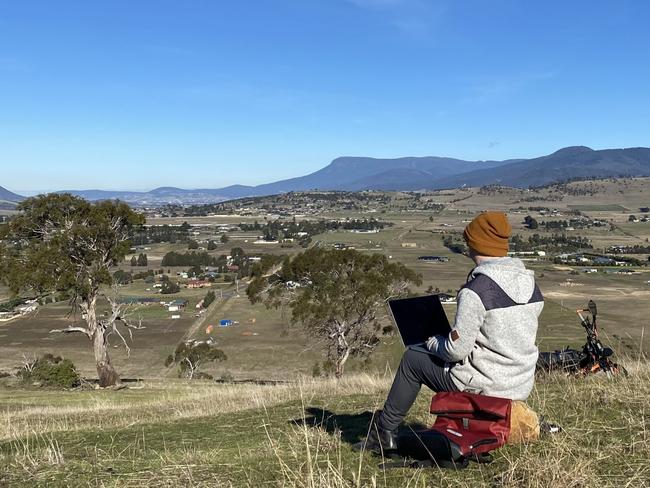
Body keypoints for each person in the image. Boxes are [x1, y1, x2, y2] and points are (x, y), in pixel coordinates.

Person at [362, 211, 544, 453]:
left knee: (412, 359)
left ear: (475, 244)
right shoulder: (531, 284)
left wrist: (435, 343)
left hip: (485, 384)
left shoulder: (476, 290)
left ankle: (384, 433)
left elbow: (456, 352)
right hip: (519, 384)